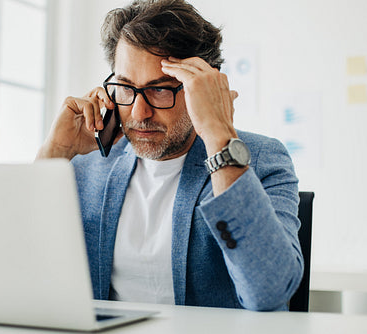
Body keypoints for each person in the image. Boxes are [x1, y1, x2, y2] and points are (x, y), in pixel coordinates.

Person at [37, 0, 303, 311]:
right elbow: (18, 270)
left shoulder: (260, 160)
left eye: (160, 89)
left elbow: (268, 291)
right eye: (125, 87)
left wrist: (219, 135)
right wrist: (54, 154)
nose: (139, 112)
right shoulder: (87, 164)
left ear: (202, 86)